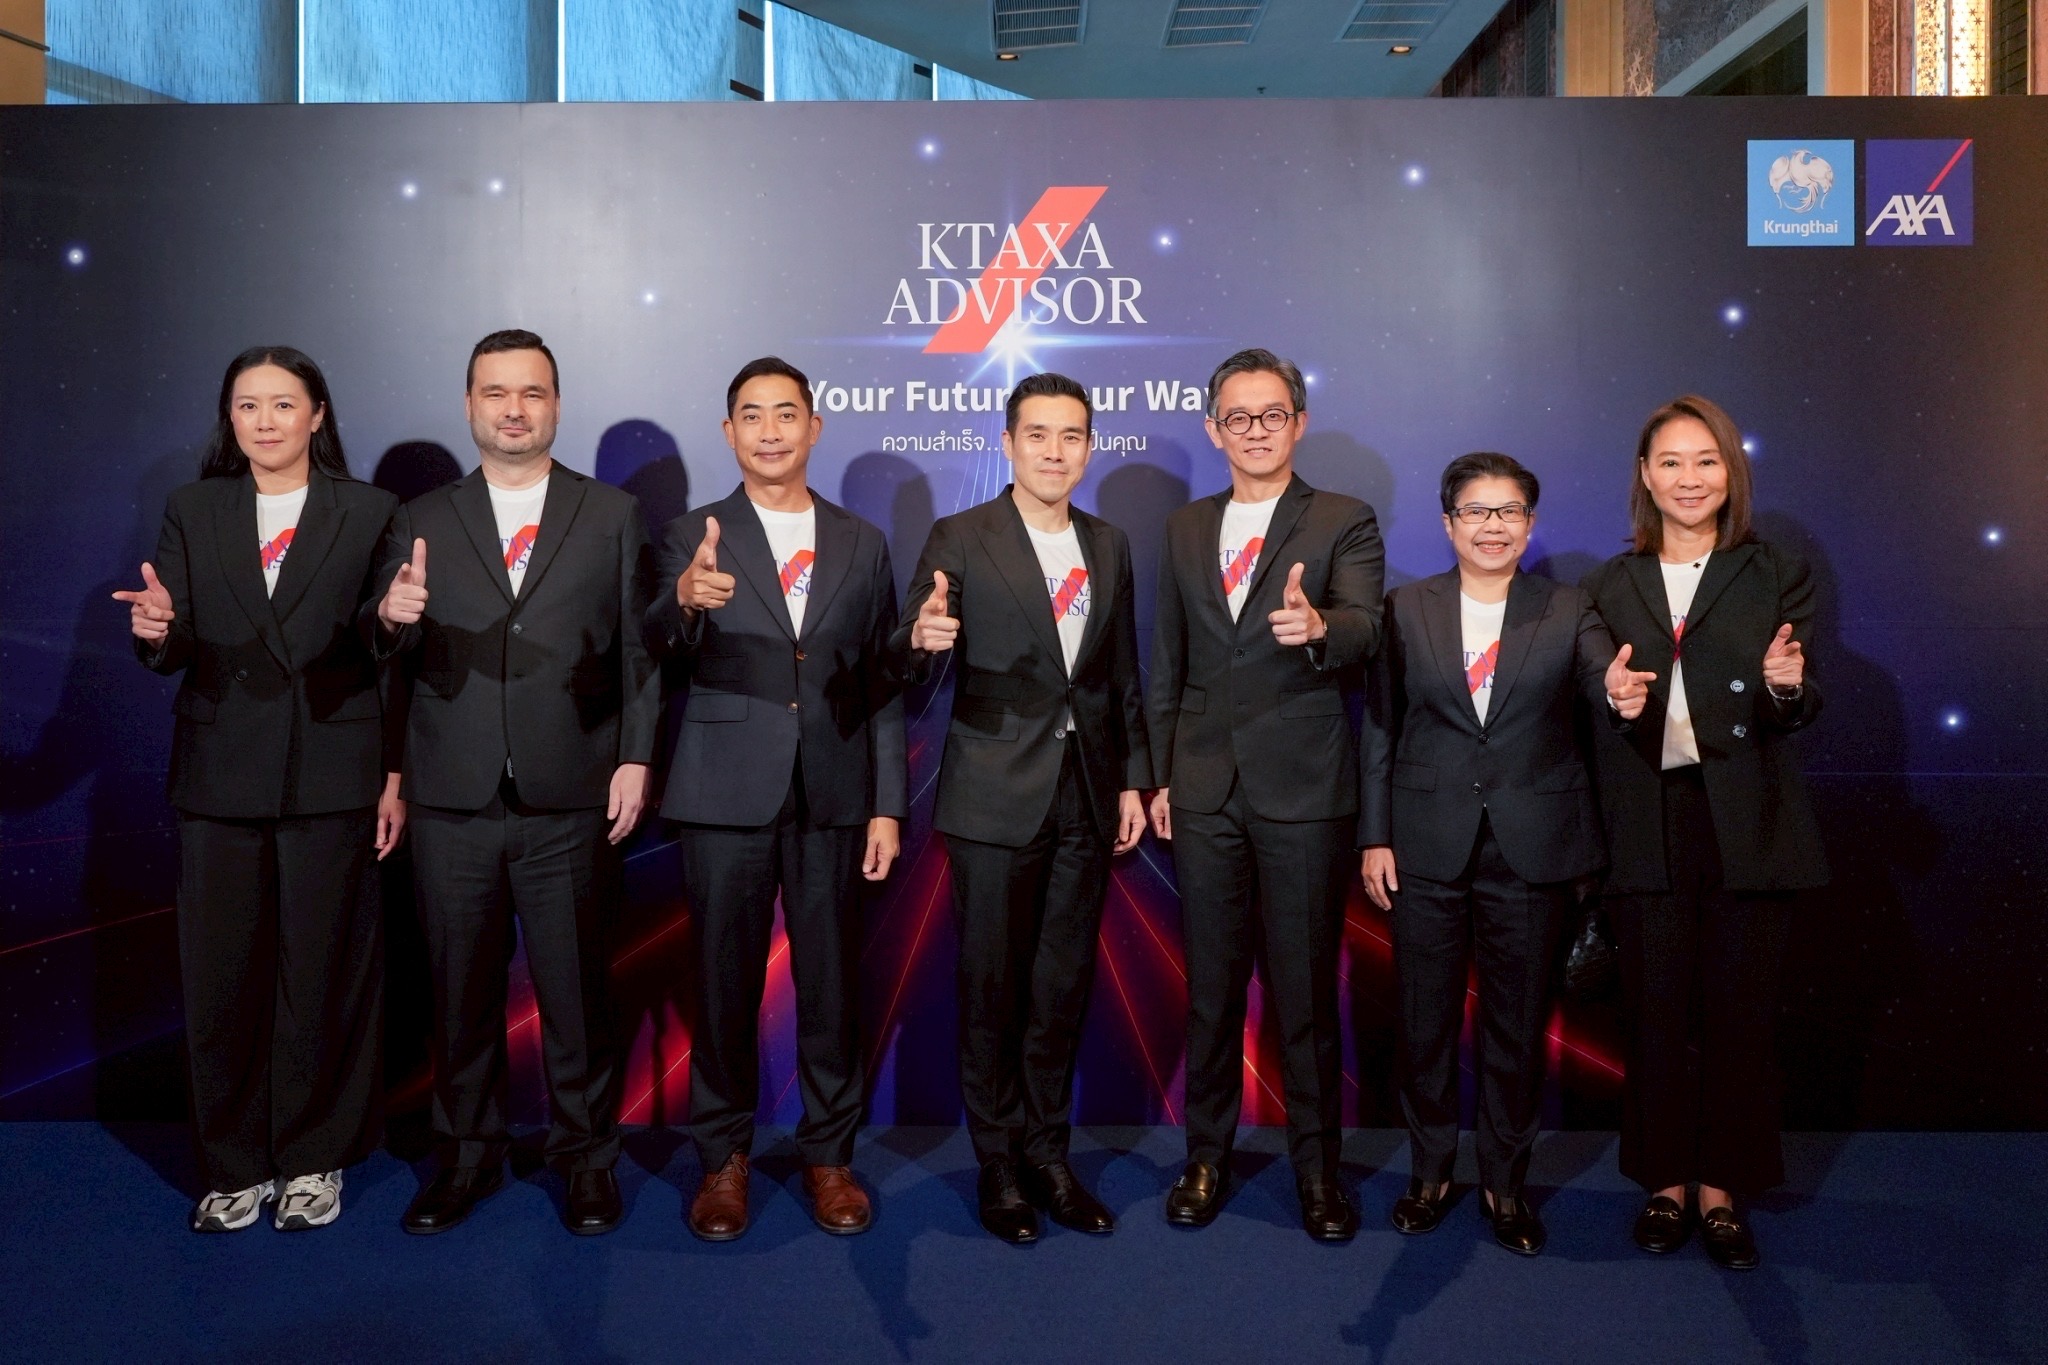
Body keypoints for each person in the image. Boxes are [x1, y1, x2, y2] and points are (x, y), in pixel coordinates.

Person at [367, 329, 660, 1237]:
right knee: (458, 994)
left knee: (576, 994)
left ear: (556, 404)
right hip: (450, 795)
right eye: (495, 392)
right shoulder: (420, 516)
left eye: (532, 392)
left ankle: (586, 1159)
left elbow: (640, 649)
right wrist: (389, 620)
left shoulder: (611, 513)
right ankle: (466, 1156)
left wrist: (636, 754)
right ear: (469, 405)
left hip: (571, 791)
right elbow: (386, 655)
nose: (514, 409)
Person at [117, 345, 403, 1233]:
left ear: (317, 414)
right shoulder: (194, 508)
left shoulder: (369, 510)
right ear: (230, 418)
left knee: (321, 973)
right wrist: (155, 631)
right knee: (222, 976)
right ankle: (232, 1165)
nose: (266, 420)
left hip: (331, 769)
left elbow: (381, 638)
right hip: (220, 773)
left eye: (284, 403)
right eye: (248, 405)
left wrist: (392, 620)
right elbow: (172, 640)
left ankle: (314, 1157)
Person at [643, 357, 905, 1241]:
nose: (769, 430)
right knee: (723, 983)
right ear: (729, 432)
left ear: (814, 427)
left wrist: (886, 802)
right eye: (750, 415)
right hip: (725, 791)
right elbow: (654, 644)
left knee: (831, 982)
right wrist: (684, 601)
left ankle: (830, 1155)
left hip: (834, 792)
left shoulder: (862, 541)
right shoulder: (692, 534)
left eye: (785, 413)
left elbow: (880, 680)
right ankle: (722, 1159)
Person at [1358, 452, 1640, 1256]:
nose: (1493, 526)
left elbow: (1605, 684)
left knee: (1516, 1029)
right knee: (1425, 1023)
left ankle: (1505, 1184)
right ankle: (1429, 1173)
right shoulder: (1404, 608)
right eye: (1476, 511)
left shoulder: (1569, 607)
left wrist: (1621, 695)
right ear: (1449, 523)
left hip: (1532, 848)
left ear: (1530, 523)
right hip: (1424, 845)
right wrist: (1375, 834)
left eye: (1509, 511)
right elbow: (1380, 726)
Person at [894, 372, 1150, 1243]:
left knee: (1060, 986)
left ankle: (1049, 1155)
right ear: (1007, 444)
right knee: (992, 987)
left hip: (1086, 796)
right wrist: (919, 640)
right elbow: (910, 647)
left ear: (1089, 447)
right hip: (993, 796)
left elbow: (1120, 674)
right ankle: (998, 1162)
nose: (1053, 450)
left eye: (1071, 435)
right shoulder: (962, 536)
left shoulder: (1109, 543)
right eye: (1036, 434)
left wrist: (1130, 777)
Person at [1145, 348, 1384, 1242]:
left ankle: (1317, 1172)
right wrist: (1161, 772)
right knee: (1211, 987)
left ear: (1299, 422)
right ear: (1214, 428)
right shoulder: (1183, 527)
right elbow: (1167, 657)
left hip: (1304, 787)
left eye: (1272, 414)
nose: (1255, 430)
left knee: (1305, 991)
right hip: (1204, 787)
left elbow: (1367, 625)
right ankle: (1206, 1156)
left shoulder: (1342, 518)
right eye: (1237, 417)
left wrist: (1322, 627)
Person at [1584, 394, 1827, 1271]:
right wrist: (1612, 697)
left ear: (1732, 471)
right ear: (1645, 477)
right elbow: (1590, 695)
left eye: (1706, 460)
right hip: (1649, 818)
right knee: (1653, 1013)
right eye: (1671, 462)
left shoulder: (1775, 571)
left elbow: (1799, 699)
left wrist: (1786, 687)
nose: (1689, 478)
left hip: (1748, 821)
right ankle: (1664, 1182)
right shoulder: (1610, 584)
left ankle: (1723, 1188)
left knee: (1739, 1015)